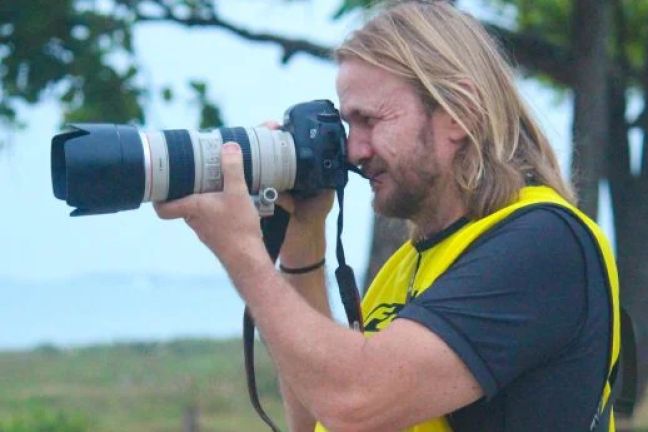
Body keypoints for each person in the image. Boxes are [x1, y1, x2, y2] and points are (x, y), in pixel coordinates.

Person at [155, 1, 620, 431]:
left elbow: (356, 401)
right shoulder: (413, 264)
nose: (355, 151)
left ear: (459, 111)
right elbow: (322, 414)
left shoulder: (544, 244)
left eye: (371, 121)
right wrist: (304, 239)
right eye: (347, 124)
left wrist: (243, 254)